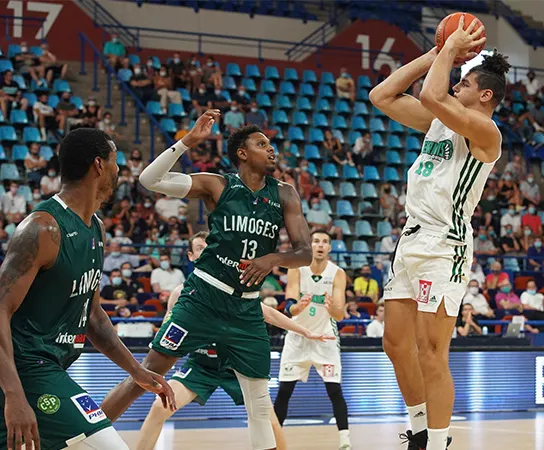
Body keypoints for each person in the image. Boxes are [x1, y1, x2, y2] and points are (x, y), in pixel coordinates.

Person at [100, 112, 312, 450]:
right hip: (203, 298)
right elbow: (149, 179)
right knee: (147, 373)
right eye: (262, 144)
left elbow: (304, 253)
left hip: (246, 308)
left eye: (270, 144)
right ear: (242, 153)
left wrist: (273, 259)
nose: (271, 149)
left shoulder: (285, 194)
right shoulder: (218, 185)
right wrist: (187, 141)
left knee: (259, 402)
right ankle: (84, 435)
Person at [370, 16, 499, 450]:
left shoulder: (486, 132)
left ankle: (438, 442)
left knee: (430, 351)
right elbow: (381, 95)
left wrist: (450, 50)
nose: (455, 85)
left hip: (446, 245)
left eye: (465, 83)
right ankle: (420, 429)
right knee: (395, 343)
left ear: (485, 95)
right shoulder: (438, 122)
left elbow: (430, 93)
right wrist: (436, 52)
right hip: (410, 239)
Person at [0, 128, 173, 450]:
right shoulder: (42, 228)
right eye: (115, 161)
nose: (119, 169)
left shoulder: (95, 228)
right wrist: (13, 394)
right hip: (26, 368)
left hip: (51, 367)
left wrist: (136, 371)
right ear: (99, 165)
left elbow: (92, 315)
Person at [137, 232, 331, 450]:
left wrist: (305, 331)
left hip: (237, 365)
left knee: (269, 421)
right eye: (200, 248)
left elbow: (268, 313)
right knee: (159, 408)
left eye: (209, 247)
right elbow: (167, 332)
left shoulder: (234, 289)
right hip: (202, 365)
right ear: (191, 256)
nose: (206, 251)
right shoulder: (180, 293)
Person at [274, 230, 351, 450]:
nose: (320, 245)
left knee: (334, 391)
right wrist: (298, 307)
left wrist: (332, 308)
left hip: (325, 338)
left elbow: (339, 315)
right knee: (284, 391)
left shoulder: (338, 273)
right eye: (316, 241)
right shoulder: (297, 269)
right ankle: (273, 441)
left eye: (325, 242)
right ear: (310, 245)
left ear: (329, 248)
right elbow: (289, 306)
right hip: (298, 337)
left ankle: (345, 441)